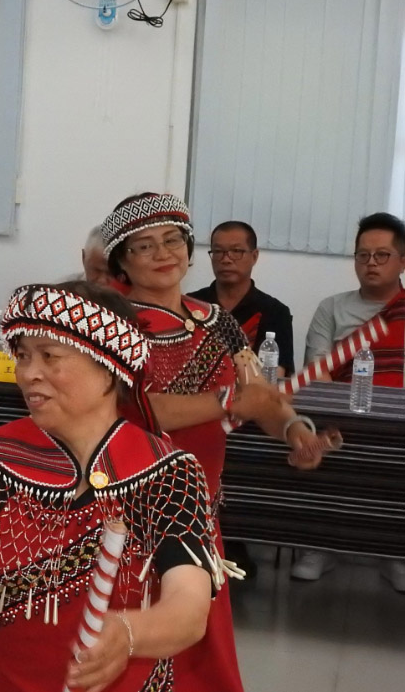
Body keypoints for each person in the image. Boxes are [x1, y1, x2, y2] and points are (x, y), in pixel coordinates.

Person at [0, 281, 222, 692]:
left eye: (50, 356)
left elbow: (189, 608)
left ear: (110, 367)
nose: (29, 373)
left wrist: (128, 632)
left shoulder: (168, 472)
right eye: (22, 355)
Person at [100, 192, 325, 692]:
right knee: (130, 644)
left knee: (200, 653)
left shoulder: (218, 321)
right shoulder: (114, 325)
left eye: (173, 240)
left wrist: (293, 429)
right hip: (126, 506)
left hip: (198, 507)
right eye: (144, 246)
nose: (164, 254)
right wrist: (228, 401)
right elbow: (140, 408)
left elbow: (259, 396)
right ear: (122, 261)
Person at [294, 212, 405, 589]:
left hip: (400, 420)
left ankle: (395, 552)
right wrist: (345, 413)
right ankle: (318, 546)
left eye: (381, 255)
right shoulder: (332, 308)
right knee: (312, 435)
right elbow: (317, 369)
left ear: (402, 261)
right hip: (341, 414)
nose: (370, 263)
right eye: (363, 255)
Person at [190, 221, 295, 376]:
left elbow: (277, 374)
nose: (226, 259)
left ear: (254, 256)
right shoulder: (191, 305)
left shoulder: (276, 312)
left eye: (236, 251)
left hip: (252, 397)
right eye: (218, 251)